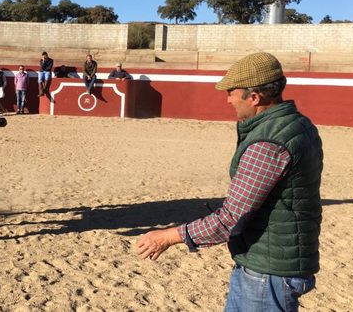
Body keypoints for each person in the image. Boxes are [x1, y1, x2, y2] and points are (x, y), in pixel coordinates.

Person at [136, 52, 323, 312]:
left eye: (231, 93)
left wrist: (168, 237)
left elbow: (231, 218)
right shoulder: (299, 124)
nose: (228, 100)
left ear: (254, 97)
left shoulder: (268, 142)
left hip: (267, 271)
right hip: (276, 260)